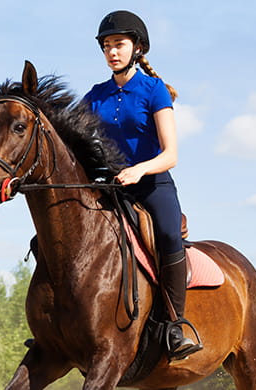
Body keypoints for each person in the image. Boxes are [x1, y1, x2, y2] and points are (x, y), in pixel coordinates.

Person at [83, 10, 202, 360]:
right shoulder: (95, 95)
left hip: (152, 186)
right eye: (106, 46)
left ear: (137, 47)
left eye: (118, 44)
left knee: (166, 235)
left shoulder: (154, 90)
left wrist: (138, 170)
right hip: (110, 188)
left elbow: (171, 154)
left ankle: (175, 325)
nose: (111, 52)